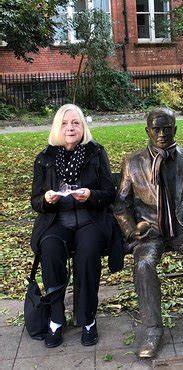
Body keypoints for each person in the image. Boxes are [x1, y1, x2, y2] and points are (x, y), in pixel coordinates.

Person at [114, 107, 183, 358]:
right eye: (156, 129)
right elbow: (121, 204)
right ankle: (152, 331)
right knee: (143, 265)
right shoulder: (133, 162)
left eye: (167, 128)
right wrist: (132, 229)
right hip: (150, 233)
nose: (162, 134)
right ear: (147, 131)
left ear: (176, 129)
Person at [30, 104, 123, 348]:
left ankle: (87, 319)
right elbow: (35, 201)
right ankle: (56, 319)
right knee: (50, 250)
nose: (70, 128)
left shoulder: (96, 152)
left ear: (83, 127)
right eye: (65, 123)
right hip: (56, 222)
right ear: (57, 127)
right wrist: (47, 200)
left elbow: (109, 193)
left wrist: (91, 194)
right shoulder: (44, 158)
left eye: (75, 123)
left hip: (91, 220)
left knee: (88, 252)